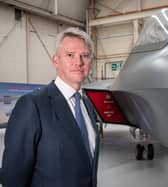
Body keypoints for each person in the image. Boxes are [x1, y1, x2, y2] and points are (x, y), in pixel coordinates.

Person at [1, 27, 100, 187]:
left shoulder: (87, 105)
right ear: (56, 60)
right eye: (70, 55)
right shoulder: (32, 105)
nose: (79, 62)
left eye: (85, 56)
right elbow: (13, 176)